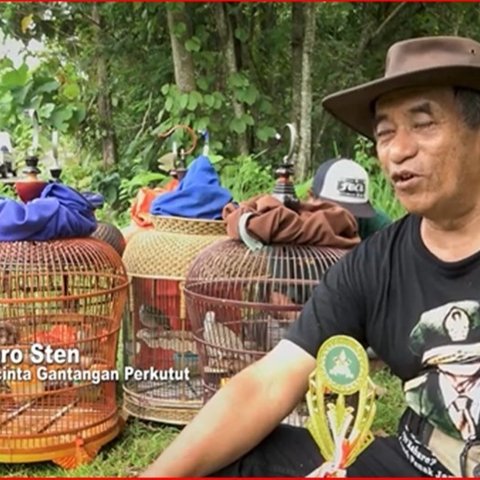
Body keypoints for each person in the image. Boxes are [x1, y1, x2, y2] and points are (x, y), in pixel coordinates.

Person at [140, 35, 480, 478]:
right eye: (384, 133)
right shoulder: (374, 264)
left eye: (423, 124)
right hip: (419, 463)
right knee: (238, 457)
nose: (398, 151)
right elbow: (268, 383)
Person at [311, 157, 392, 239]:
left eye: (352, 213)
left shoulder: (378, 227)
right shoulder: (302, 224)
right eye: (335, 212)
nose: (344, 221)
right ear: (311, 198)